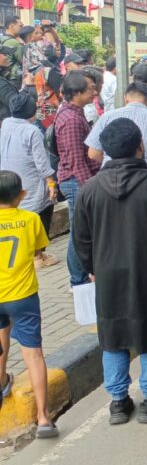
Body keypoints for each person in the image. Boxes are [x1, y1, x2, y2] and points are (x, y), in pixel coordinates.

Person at [74, 119, 147, 425]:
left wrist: (92, 269)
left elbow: (81, 241)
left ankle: (118, 402)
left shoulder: (89, 191)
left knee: (112, 334)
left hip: (109, 276)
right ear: (140, 146)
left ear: (107, 151)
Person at [0, 171, 57, 438]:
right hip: (23, 295)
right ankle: (43, 418)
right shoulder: (31, 219)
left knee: (1, 339)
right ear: (22, 195)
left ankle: (2, 383)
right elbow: (38, 251)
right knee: (33, 354)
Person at [1, 94, 59, 269]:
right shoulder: (32, 131)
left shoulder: (5, 125)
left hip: (7, 177)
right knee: (44, 209)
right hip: (30, 180)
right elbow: (41, 162)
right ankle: (37, 255)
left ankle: (25, 253)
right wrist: (51, 183)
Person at [54, 71, 100, 287]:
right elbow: (77, 159)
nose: (95, 92)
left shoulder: (73, 111)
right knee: (78, 231)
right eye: (90, 88)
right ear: (78, 92)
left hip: (76, 179)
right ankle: (78, 280)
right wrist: (89, 186)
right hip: (76, 180)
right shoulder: (71, 119)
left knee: (80, 229)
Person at [85, 83, 147, 175]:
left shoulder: (107, 117)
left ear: (125, 98)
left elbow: (93, 153)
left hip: (110, 180)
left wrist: (109, 164)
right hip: (145, 181)